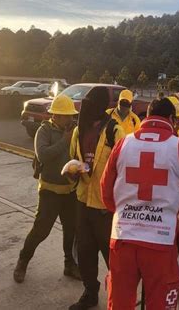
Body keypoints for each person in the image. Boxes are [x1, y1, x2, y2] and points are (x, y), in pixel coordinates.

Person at [100, 97, 179, 310]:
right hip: (159, 243)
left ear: (147, 117)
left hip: (123, 240)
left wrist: (127, 213)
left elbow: (105, 189)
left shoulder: (124, 143)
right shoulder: (178, 147)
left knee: (120, 303)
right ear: (171, 119)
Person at [67, 87, 125, 310]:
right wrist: (72, 170)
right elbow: (73, 157)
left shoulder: (114, 130)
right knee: (85, 251)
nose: (86, 105)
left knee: (113, 257)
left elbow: (124, 168)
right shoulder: (78, 130)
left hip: (105, 207)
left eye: (90, 101)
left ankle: (119, 296)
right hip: (83, 202)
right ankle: (90, 292)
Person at [13, 94, 81, 283]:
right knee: (41, 230)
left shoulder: (74, 131)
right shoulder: (44, 131)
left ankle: (70, 265)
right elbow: (43, 155)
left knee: (71, 230)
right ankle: (23, 261)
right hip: (50, 191)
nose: (71, 119)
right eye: (67, 115)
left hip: (70, 191)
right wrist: (64, 141)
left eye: (72, 115)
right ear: (57, 115)